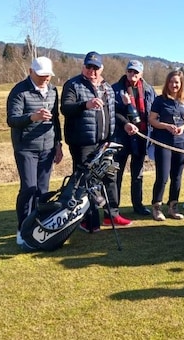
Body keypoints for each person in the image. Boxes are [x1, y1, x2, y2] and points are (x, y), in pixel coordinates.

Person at [61, 51, 132, 232]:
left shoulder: (107, 87)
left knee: (110, 176)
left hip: (105, 142)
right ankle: (88, 220)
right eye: (88, 67)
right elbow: (66, 109)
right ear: (83, 66)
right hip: (82, 142)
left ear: (102, 68)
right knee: (86, 181)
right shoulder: (73, 85)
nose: (92, 70)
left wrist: (125, 125)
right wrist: (85, 104)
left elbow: (113, 112)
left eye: (96, 67)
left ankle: (112, 215)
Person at [7, 56, 63, 245]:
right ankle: (23, 229)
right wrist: (33, 117)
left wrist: (58, 144)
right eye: (41, 76)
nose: (45, 79)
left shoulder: (54, 91)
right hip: (26, 147)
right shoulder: (19, 91)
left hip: (47, 147)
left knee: (42, 190)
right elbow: (12, 120)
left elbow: (55, 120)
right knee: (28, 188)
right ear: (31, 71)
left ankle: (38, 226)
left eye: (48, 76)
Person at [112, 60, 156, 216]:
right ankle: (113, 208)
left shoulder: (149, 90)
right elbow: (113, 112)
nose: (132, 75)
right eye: (130, 71)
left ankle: (138, 205)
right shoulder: (116, 89)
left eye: (136, 72)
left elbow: (152, 112)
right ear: (126, 71)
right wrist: (125, 123)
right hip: (121, 137)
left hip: (141, 137)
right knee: (117, 174)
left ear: (141, 74)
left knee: (137, 174)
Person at [149, 70, 184, 221]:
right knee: (162, 176)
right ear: (167, 83)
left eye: (177, 82)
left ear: (181, 84)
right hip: (164, 142)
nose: (174, 85)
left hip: (181, 143)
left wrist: (183, 127)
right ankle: (156, 207)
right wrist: (166, 126)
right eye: (171, 82)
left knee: (177, 177)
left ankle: (173, 207)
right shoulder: (160, 100)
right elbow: (152, 120)